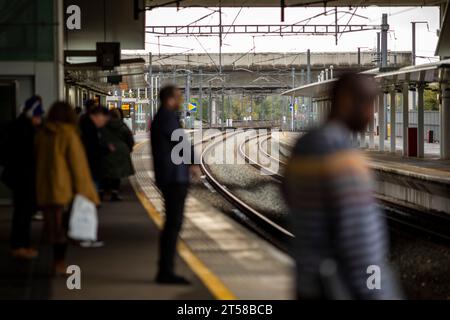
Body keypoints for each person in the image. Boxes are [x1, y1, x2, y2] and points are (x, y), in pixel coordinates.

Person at [282, 73, 401, 300]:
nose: (370, 114)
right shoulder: (342, 159)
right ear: (347, 101)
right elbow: (362, 246)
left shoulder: (303, 147)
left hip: (307, 283)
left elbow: (286, 194)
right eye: (368, 104)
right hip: (341, 289)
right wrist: (379, 292)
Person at [35, 101, 99, 275]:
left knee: (51, 227)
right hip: (64, 190)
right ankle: (58, 263)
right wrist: (88, 193)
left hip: (44, 188)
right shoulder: (69, 135)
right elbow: (78, 167)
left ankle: (49, 263)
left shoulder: (42, 135)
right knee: (63, 228)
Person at [151, 84, 197, 284]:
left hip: (170, 176)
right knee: (173, 224)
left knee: (173, 223)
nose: (181, 100)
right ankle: (165, 271)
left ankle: (166, 269)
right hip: (173, 177)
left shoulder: (164, 116)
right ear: (170, 98)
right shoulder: (167, 116)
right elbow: (180, 141)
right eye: (178, 96)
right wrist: (193, 161)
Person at [1, 96, 44, 259]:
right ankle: (19, 246)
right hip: (24, 177)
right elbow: (28, 155)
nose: (39, 120)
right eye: (38, 116)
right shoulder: (25, 130)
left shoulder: (17, 126)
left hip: (18, 176)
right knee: (22, 213)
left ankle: (22, 245)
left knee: (22, 212)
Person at [100, 108, 135, 201]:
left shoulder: (103, 125)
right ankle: (115, 192)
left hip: (107, 150)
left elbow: (100, 137)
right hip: (120, 151)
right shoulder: (122, 125)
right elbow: (129, 138)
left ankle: (102, 191)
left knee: (106, 172)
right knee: (117, 173)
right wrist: (130, 148)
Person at [79, 104, 110, 188]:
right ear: (99, 115)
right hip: (89, 167)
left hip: (90, 167)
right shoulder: (89, 128)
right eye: (104, 119)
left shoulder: (88, 125)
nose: (104, 122)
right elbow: (92, 148)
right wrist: (106, 149)